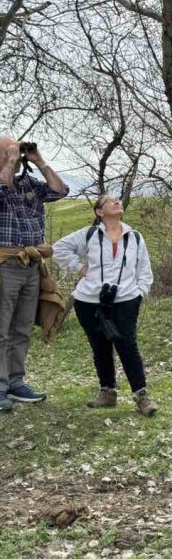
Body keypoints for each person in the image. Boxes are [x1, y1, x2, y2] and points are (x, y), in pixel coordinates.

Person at [53, 195, 158, 416]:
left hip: (125, 299)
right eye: (110, 201)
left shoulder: (134, 237)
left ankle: (142, 396)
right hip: (89, 301)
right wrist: (80, 269)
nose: (116, 202)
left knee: (127, 345)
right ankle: (108, 392)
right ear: (99, 212)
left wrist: (139, 294)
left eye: (118, 200)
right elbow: (59, 248)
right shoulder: (89, 234)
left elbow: (144, 269)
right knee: (99, 346)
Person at [0, 136, 69, 412]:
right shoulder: (3, 182)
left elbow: (60, 191)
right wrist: (10, 161)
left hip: (31, 265)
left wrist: (39, 161)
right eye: (11, 150)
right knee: (1, 330)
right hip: (5, 265)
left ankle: (15, 382)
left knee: (22, 328)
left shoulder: (29, 183)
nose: (17, 154)